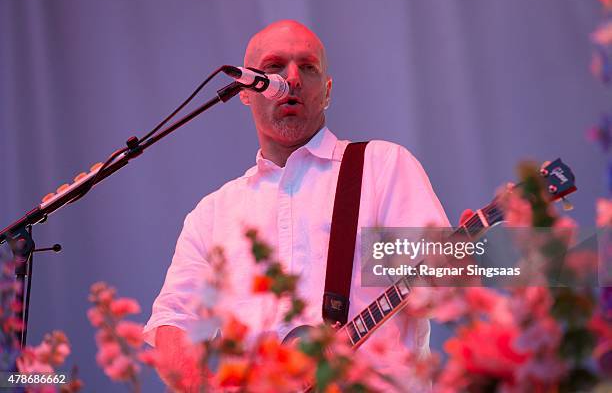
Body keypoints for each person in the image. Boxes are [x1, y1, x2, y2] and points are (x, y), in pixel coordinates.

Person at [144, 19, 450, 391]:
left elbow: (442, 287)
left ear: (327, 90)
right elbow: (175, 321)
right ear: (244, 88)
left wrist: (496, 251)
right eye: (274, 67)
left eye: (308, 67)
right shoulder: (213, 214)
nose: (292, 78)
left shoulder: (379, 168)